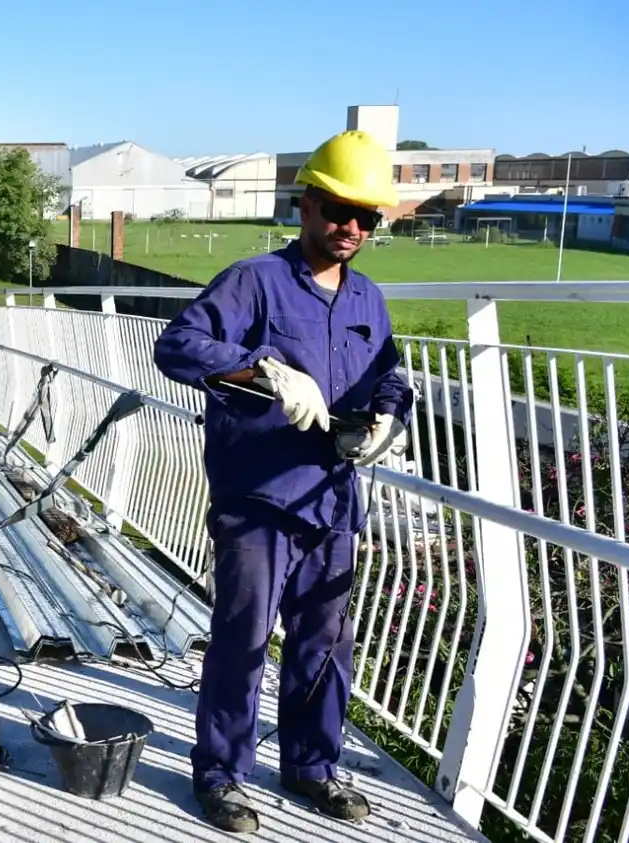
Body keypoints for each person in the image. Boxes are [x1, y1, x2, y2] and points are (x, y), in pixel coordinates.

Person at [151, 129, 415, 834]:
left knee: (324, 641)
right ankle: (222, 773)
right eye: (337, 211)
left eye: (367, 218)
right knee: (243, 636)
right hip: (258, 498)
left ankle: (311, 764)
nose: (351, 228)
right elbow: (177, 345)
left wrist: (390, 414)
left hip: (331, 497)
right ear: (305, 205)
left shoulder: (368, 299)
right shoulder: (254, 281)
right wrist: (259, 367)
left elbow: (390, 372)